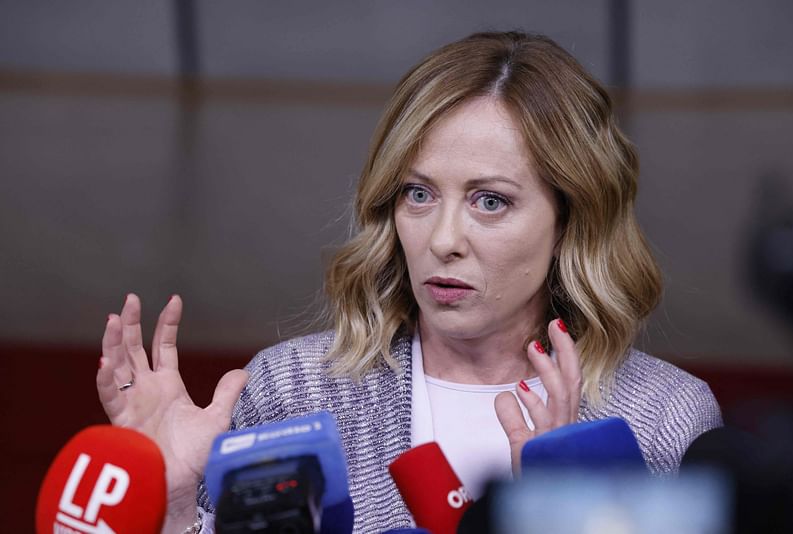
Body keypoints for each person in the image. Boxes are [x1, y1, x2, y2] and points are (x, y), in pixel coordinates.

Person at [96, 31, 723, 533]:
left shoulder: (661, 418)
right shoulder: (292, 393)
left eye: (491, 201)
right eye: (418, 194)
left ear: (570, 219)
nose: (443, 238)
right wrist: (175, 511)